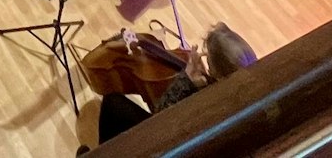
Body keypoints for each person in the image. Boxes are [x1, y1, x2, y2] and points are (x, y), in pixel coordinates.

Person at [96, 24, 257, 142]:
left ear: (219, 74)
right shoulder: (255, 89)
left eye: (209, 64)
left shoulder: (209, 103)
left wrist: (187, 79)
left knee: (113, 103)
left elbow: (159, 120)